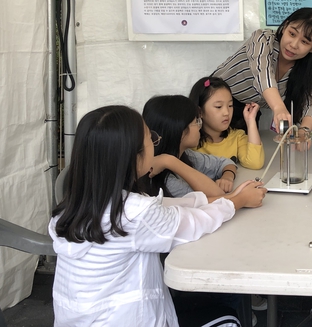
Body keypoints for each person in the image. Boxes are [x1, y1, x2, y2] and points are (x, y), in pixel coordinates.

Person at [50, 105, 267, 327]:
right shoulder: (137, 214)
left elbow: (171, 208)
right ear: (132, 157)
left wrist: (233, 198)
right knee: (227, 320)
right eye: (150, 138)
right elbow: (193, 223)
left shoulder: (74, 208)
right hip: (129, 320)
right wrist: (238, 202)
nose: (155, 144)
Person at [212, 7, 312, 134]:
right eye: (292, 34)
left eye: (304, 42)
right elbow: (262, 73)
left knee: (248, 151)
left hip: (248, 112)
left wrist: (303, 132)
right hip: (213, 103)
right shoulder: (263, 39)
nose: (294, 45)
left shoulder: (307, 68)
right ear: (285, 27)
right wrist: (279, 108)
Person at [142, 94, 238, 198]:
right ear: (181, 131)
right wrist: (170, 161)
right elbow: (217, 198)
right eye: (196, 122)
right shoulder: (165, 181)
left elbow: (224, 162)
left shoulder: (186, 155)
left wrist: (227, 177)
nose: (199, 127)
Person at [190, 77, 265, 169]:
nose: (226, 112)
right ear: (200, 111)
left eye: (230, 105)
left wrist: (251, 121)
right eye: (218, 107)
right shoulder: (190, 141)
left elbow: (255, 163)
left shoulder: (237, 136)